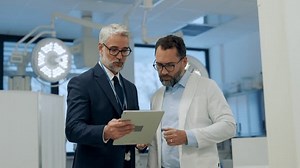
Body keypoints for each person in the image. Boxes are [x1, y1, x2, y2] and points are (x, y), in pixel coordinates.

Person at [147, 35, 236, 168]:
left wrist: (188, 137)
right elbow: (156, 141)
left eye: (170, 65)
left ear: (184, 62)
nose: (163, 71)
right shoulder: (157, 96)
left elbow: (229, 126)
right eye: (159, 65)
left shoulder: (207, 87)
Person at [65, 23, 139, 168]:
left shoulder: (131, 88)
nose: (120, 56)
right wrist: (105, 131)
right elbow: (72, 130)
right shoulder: (82, 83)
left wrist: (139, 141)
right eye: (114, 50)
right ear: (100, 48)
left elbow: (130, 127)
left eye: (124, 51)